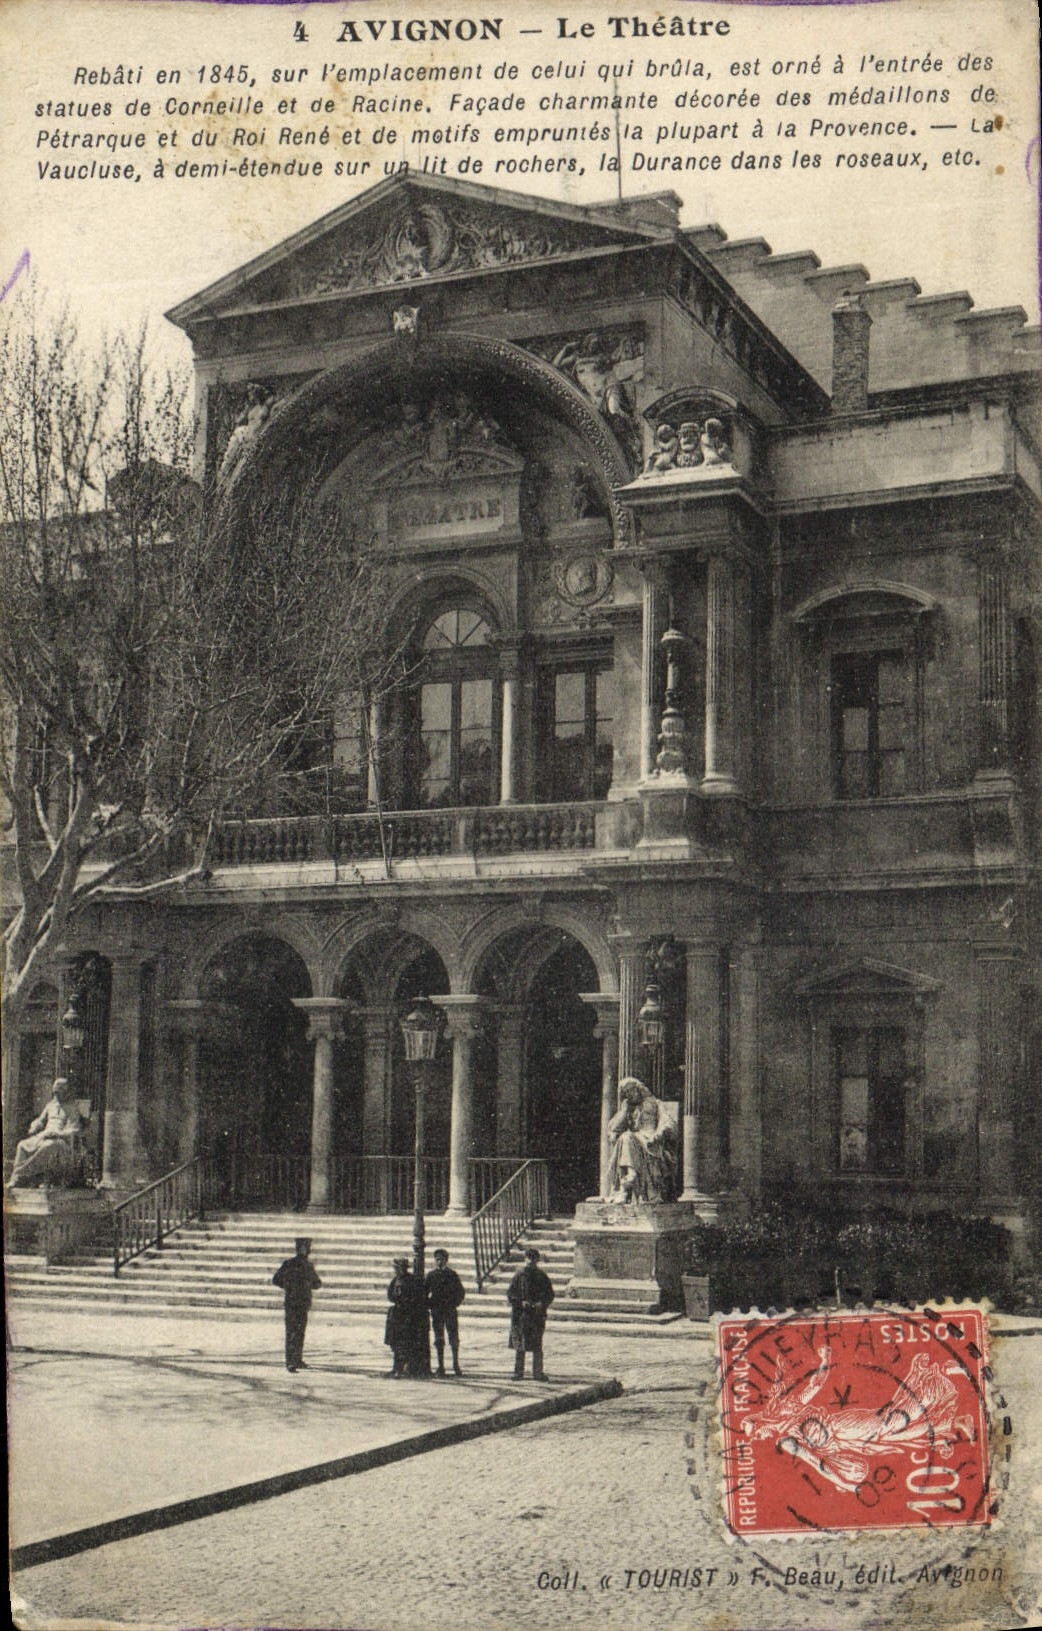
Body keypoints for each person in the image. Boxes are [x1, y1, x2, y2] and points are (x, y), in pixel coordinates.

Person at [603, 1076, 678, 1204]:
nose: (629, 1094)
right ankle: (630, 1176)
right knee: (625, 1137)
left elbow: (669, 1123)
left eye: (630, 1090)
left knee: (626, 1138)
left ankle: (626, 1188)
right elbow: (612, 1127)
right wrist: (624, 1111)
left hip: (651, 1141)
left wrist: (657, 1135)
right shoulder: (629, 1108)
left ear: (638, 1088)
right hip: (635, 1140)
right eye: (626, 1092)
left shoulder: (656, 1103)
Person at [8, 1079, 87, 1188]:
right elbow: (41, 1120)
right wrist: (35, 1126)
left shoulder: (72, 1107)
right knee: (22, 1145)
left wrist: (58, 1133)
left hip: (62, 1141)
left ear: (66, 1092)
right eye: (55, 1092)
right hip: (45, 1135)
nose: (56, 1095)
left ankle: (21, 1174)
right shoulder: (50, 1105)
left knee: (48, 1146)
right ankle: (16, 1178)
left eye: (59, 1092)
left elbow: (74, 1129)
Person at [272, 1238, 321, 1374]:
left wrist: (291, 1286)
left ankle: (297, 1359)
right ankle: (291, 1361)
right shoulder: (295, 1265)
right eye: (304, 1247)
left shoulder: (303, 1266)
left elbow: (317, 1283)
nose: (305, 1250)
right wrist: (290, 1286)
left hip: (299, 1303)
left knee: (298, 1332)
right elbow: (276, 1280)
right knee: (293, 1332)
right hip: (295, 1303)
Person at [507, 1247, 555, 1382]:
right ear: (525, 1259)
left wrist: (542, 1303)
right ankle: (518, 1373)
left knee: (537, 1345)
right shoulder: (519, 1275)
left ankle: (538, 1373)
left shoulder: (542, 1276)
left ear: (537, 1261)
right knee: (520, 1345)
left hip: (536, 1316)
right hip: (521, 1316)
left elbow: (550, 1294)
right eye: (529, 1259)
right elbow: (510, 1294)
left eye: (533, 1259)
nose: (531, 1262)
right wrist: (520, 1303)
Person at [385, 1257, 429, 1378]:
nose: (396, 1270)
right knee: (396, 1343)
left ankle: (404, 1367)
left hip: (407, 1315)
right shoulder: (396, 1279)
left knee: (405, 1343)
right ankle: (396, 1367)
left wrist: (405, 1301)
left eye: (397, 1268)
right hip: (397, 1315)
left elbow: (416, 1296)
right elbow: (390, 1294)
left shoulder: (411, 1280)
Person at [426, 1248, 466, 1378]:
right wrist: (430, 1304)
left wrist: (454, 1303)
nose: (439, 1262)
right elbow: (425, 1292)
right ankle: (440, 1366)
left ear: (446, 1260)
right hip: (437, 1311)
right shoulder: (431, 1275)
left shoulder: (452, 1275)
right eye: (437, 1259)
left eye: (441, 1260)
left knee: (453, 1338)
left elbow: (460, 1292)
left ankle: (455, 1364)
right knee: (439, 1339)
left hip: (450, 1310)